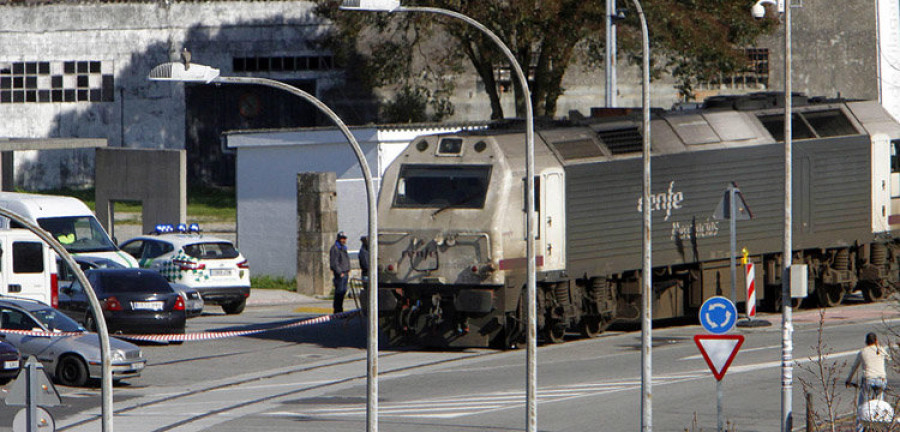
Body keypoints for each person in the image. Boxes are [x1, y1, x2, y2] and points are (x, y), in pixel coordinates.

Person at [846, 332, 890, 407]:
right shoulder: (881, 350)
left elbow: (854, 367)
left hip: (868, 379)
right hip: (881, 379)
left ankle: (860, 416)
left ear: (866, 342)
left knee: (863, 405)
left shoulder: (863, 351)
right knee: (880, 404)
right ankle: (881, 416)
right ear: (876, 340)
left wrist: (848, 380)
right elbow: (888, 358)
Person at [329, 231, 351, 313]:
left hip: (345, 273)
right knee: (339, 292)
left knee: (343, 292)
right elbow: (334, 263)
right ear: (338, 239)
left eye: (344, 238)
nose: (343, 240)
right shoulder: (335, 248)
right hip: (340, 274)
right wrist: (339, 272)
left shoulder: (343, 248)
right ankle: (337, 310)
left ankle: (340, 309)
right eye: (342, 238)